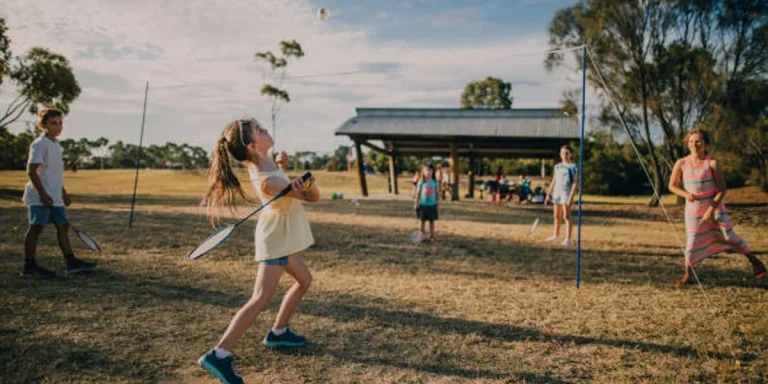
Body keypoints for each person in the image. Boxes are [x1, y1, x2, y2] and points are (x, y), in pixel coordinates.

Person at [197, 117, 319, 384]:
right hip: (275, 241)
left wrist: (283, 166)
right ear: (252, 146)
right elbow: (313, 197)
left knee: (305, 280)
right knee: (260, 299)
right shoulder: (268, 181)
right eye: (260, 130)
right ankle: (219, 354)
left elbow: (273, 171)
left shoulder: (265, 164)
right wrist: (307, 185)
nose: (266, 130)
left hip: (281, 238)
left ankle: (278, 332)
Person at [668, 128, 766, 287]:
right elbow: (672, 185)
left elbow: (722, 190)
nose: (694, 144)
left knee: (729, 237)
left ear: (705, 144)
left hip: (714, 207)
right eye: (691, 141)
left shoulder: (712, 164)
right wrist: (686, 195)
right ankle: (688, 276)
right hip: (693, 210)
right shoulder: (681, 163)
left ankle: (756, 262)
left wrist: (710, 210)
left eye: (698, 141)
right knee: (692, 242)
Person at [21, 108, 96, 278]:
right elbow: (31, 172)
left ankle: (71, 263)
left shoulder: (56, 145)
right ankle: (29, 266)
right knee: (36, 228)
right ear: (43, 125)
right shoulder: (39, 144)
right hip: (40, 195)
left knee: (63, 226)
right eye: (53, 123)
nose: (58, 127)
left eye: (60, 123)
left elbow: (54, 174)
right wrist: (43, 194)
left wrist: (63, 193)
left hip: (54, 196)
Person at [545, 146, 579, 246]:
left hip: (566, 193)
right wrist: (548, 193)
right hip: (557, 192)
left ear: (570, 155)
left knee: (566, 216)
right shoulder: (557, 166)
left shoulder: (573, 167)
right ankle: (556, 234)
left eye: (566, 153)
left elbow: (575, 183)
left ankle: (568, 238)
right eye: (562, 153)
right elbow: (554, 180)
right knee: (556, 215)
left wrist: (571, 197)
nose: (564, 155)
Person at [414, 164, 440, 243]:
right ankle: (421, 236)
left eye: (430, 170)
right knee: (422, 222)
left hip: (432, 205)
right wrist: (416, 203)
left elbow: (437, 194)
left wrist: (438, 205)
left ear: (433, 172)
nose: (428, 172)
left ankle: (432, 236)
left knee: (432, 222)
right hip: (423, 205)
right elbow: (418, 194)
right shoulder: (421, 182)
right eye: (427, 170)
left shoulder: (435, 182)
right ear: (423, 172)